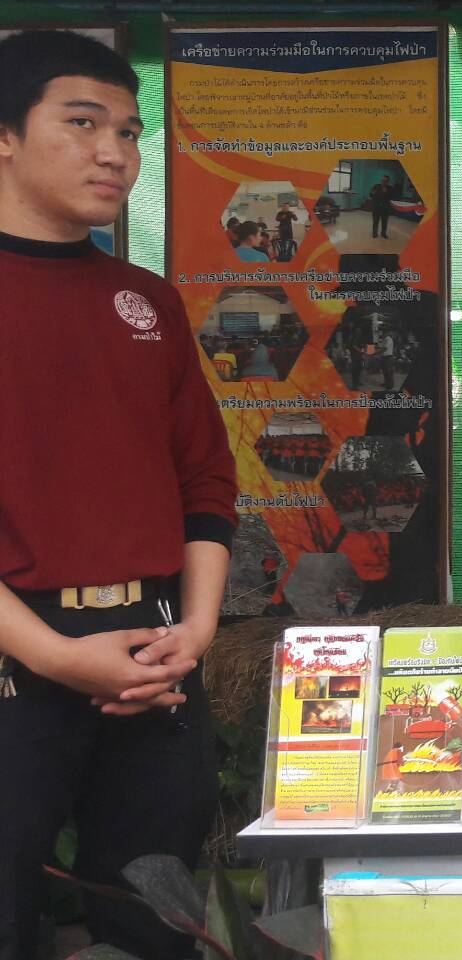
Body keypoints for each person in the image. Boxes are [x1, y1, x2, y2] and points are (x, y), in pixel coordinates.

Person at [0, 30, 236, 960]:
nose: (114, 152)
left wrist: (197, 631)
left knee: (154, 917)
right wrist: (56, 657)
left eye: (130, 132)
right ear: (5, 136)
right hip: (17, 654)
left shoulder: (147, 300)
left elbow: (205, 477)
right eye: (82, 123)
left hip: (157, 651)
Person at [368, 173, 393, 239]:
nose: (383, 182)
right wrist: (372, 193)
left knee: (384, 222)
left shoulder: (390, 188)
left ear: (388, 182)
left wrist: (386, 192)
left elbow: (391, 197)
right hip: (376, 207)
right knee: (375, 221)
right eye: (382, 180)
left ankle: (383, 233)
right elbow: (371, 195)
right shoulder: (376, 186)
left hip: (385, 208)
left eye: (385, 180)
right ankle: (374, 233)